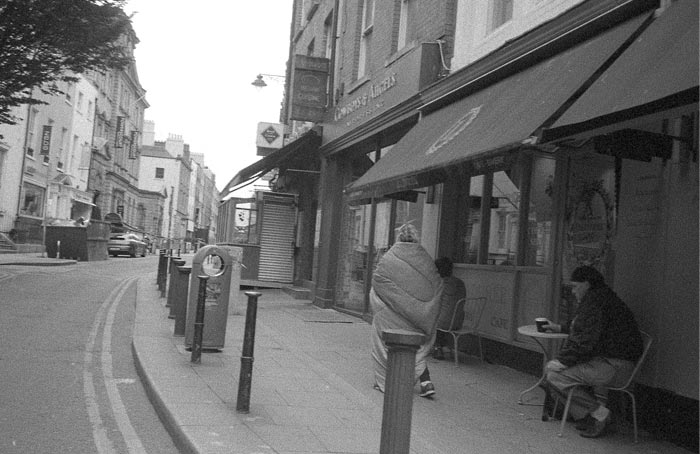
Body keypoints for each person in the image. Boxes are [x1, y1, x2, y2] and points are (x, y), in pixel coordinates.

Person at [542, 265, 643, 438]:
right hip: (617, 363)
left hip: (614, 367)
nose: (573, 291)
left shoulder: (594, 303)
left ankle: (600, 415)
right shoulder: (603, 298)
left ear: (587, 284)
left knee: (554, 375)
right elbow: (585, 329)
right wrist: (559, 327)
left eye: (575, 286)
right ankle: (592, 416)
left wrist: (561, 361)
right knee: (555, 372)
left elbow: (585, 340)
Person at [370, 223, 443, 398]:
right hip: (419, 320)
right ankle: (426, 382)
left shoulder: (389, 257)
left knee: (382, 338)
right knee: (417, 347)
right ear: (415, 238)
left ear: (399, 238)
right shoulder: (425, 259)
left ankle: (385, 380)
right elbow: (437, 286)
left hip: (390, 318)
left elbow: (378, 282)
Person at [432, 257, 466, 360]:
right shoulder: (460, 283)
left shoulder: (440, 283)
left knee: (428, 317)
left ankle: (437, 346)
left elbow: (433, 303)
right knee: (445, 314)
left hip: (443, 323)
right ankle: (443, 345)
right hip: (458, 322)